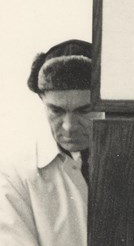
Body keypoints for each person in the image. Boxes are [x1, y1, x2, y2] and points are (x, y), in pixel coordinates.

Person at [0, 39, 94, 246]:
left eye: (84, 110)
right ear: (42, 100)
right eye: (56, 111)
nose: (69, 126)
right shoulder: (15, 174)